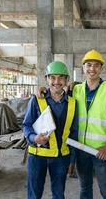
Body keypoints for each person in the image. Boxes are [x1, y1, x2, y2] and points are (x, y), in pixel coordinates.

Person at [22, 61, 78, 199]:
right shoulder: (37, 99)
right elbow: (26, 125)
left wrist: (73, 158)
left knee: (59, 194)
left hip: (61, 157)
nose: (56, 81)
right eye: (52, 77)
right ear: (47, 79)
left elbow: (74, 132)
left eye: (61, 77)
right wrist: (34, 138)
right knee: (34, 194)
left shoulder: (72, 102)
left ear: (66, 80)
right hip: (37, 156)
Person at [73, 49, 106, 199]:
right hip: (81, 149)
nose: (92, 69)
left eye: (96, 65)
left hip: (100, 151)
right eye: (88, 65)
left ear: (101, 68)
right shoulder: (76, 89)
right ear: (83, 67)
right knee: (85, 188)